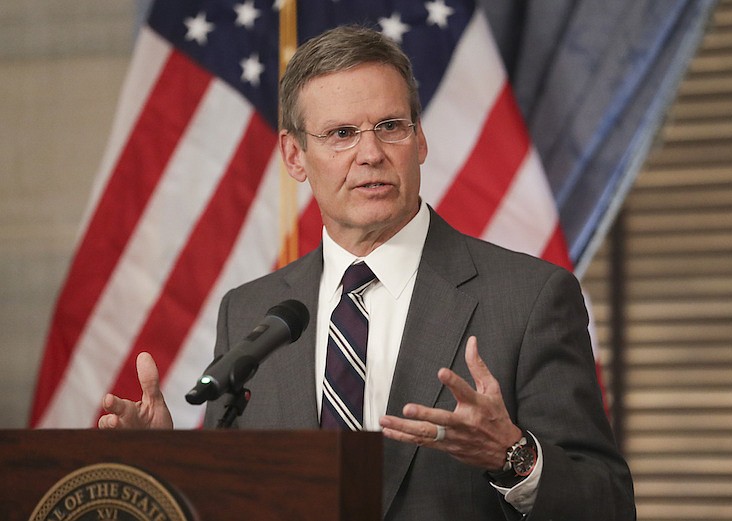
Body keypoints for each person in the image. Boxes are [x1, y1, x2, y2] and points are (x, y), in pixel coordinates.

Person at [99, 25, 635, 520]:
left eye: (389, 126)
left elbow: (608, 502)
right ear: (295, 156)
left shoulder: (529, 298)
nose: (371, 153)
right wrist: (166, 465)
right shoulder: (249, 312)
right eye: (340, 133)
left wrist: (513, 456)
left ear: (419, 140)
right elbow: (235, 499)